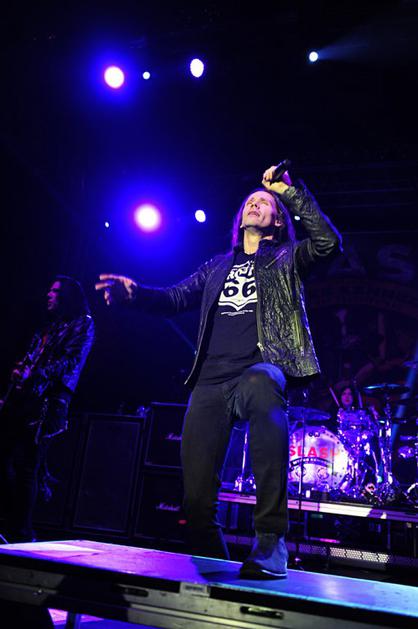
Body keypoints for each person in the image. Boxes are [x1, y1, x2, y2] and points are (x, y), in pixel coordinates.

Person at [95, 163, 341, 578]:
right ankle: (218, 572)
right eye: (251, 201)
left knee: (262, 382)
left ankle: (271, 540)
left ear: (278, 221)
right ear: (240, 218)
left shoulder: (287, 258)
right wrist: (136, 294)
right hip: (210, 380)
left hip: (260, 367)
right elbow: (174, 298)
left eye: (265, 203)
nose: (256, 204)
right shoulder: (216, 267)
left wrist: (288, 192)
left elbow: (328, 242)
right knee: (195, 503)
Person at [0, 276, 94, 542]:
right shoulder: (50, 326)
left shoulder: (83, 323)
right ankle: (12, 522)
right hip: (26, 397)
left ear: (68, 296)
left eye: (54, 291)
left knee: (27, 465)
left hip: (49, 401)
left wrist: (34, 374)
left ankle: (21, 531)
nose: (48, 295)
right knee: (8, 457)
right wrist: (19, 372)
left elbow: (70, 361)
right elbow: (32, 356)